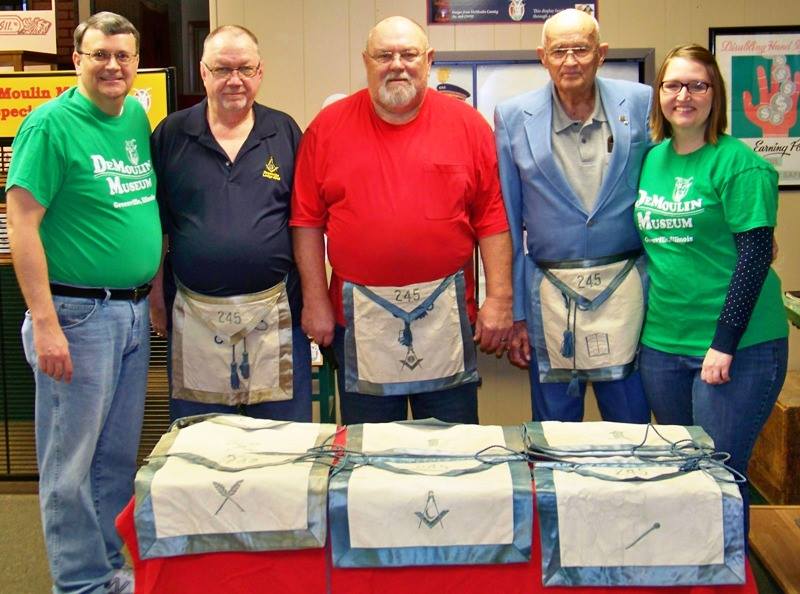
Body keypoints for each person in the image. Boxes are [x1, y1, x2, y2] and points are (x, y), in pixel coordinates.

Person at [291, 16, 512, 425]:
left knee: (453, 456)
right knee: (371, 463)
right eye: (384, 55)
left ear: (428, 60)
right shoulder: (326, 128)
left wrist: (499, 298)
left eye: (409, 54)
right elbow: (306, 222)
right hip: (359, 325)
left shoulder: (469, 126)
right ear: (366, 61)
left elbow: (493, 220)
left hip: (446, 321)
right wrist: (316, 300)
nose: (397, 64)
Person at [5, 12, 159, 594]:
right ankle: (78, 584)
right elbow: (21, 223)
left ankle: (106, 569)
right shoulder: (49, 125)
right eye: (100, 55)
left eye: (123, 55)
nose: (113, 66)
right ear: (77, 60)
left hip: (130, 313)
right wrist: (44, 323)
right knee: (69, 466)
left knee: (114, 460)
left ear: (135, 62)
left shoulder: (135, 118)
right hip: (76, 317)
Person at [635, 43, 788, 533]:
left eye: (697, 85)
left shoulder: (738, 164)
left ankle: (728, 579)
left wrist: (723, 344)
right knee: (684, 475)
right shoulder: (651, 159)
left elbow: (756, 256)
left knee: (719, 477)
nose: (684, 95)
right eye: (673, 85)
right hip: (662, 344)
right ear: (659, 93)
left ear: (715, 94)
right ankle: (691, 575)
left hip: (736, 348)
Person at [494, 8, 651, 423]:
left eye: (580, 49)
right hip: (549, 295)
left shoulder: (641, 103)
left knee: (631, 427)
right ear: (542, 56)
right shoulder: (512, 117)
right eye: (559, 51)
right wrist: (518, 316)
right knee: (554, 435)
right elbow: (509, 223)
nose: (570, 61)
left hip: (625, 291)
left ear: (601, 53)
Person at [150, 25, 311, 422]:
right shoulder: (171, 134)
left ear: (260, 72)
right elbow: (155, 225)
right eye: (222, 69)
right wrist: (155, 294)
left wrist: (315, 299)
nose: (234, 80)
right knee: (199, 444)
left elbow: (306, 223)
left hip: (276, 317)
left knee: (281, 447)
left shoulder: (285, 131)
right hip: (195, 318)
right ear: (203, 72)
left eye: (245, 68)